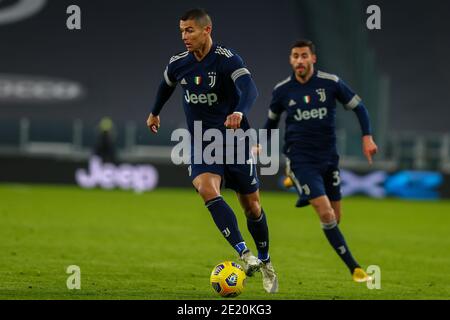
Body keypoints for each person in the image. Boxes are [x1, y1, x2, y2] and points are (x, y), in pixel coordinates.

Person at [146, 8, 278, 293]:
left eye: (189, 30)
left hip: (234, 141)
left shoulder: (228, 60)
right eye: (181, 31)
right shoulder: (178, 63)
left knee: (253, 207)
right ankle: (244, 253)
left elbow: (250, 89)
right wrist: (155, 112)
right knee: (207, 188)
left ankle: (266, 261)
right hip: (201, 142)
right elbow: (165, 86)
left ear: (207, 30)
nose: (184, 36)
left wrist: (240, 113)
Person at [264, 39, 378, 283]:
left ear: (313, 59)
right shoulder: (282, 90)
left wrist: (367, 137)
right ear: (291, 60)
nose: (299, 60)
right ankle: (355, 269)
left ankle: (295, 183)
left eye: (304, 56)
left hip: (328, 159)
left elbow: (360, 107)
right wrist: (259, 144)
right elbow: (272, 122)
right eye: (295, 56)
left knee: (336, 219)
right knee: (325, 213)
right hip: (300, 159)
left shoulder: (330, 83)